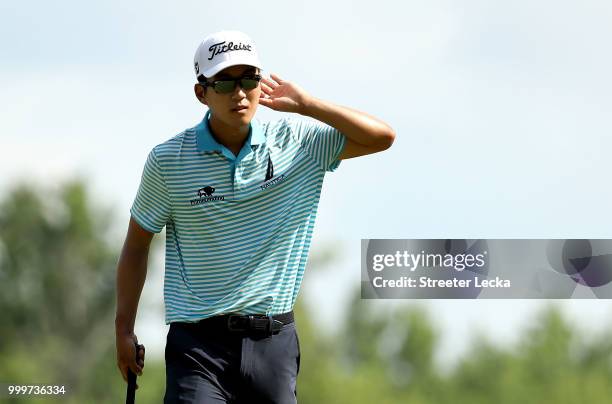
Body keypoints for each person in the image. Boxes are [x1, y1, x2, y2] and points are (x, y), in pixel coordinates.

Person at [115, 30, 395, 403]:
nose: (240, 93)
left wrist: (308, 104)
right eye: (225, 82)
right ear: (201, 92)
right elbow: (137, 245)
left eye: (249, 80)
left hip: (273, 343)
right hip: (198, 348)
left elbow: (382, 136)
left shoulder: (298, 142)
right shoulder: (169, 162)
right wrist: (124, 329)